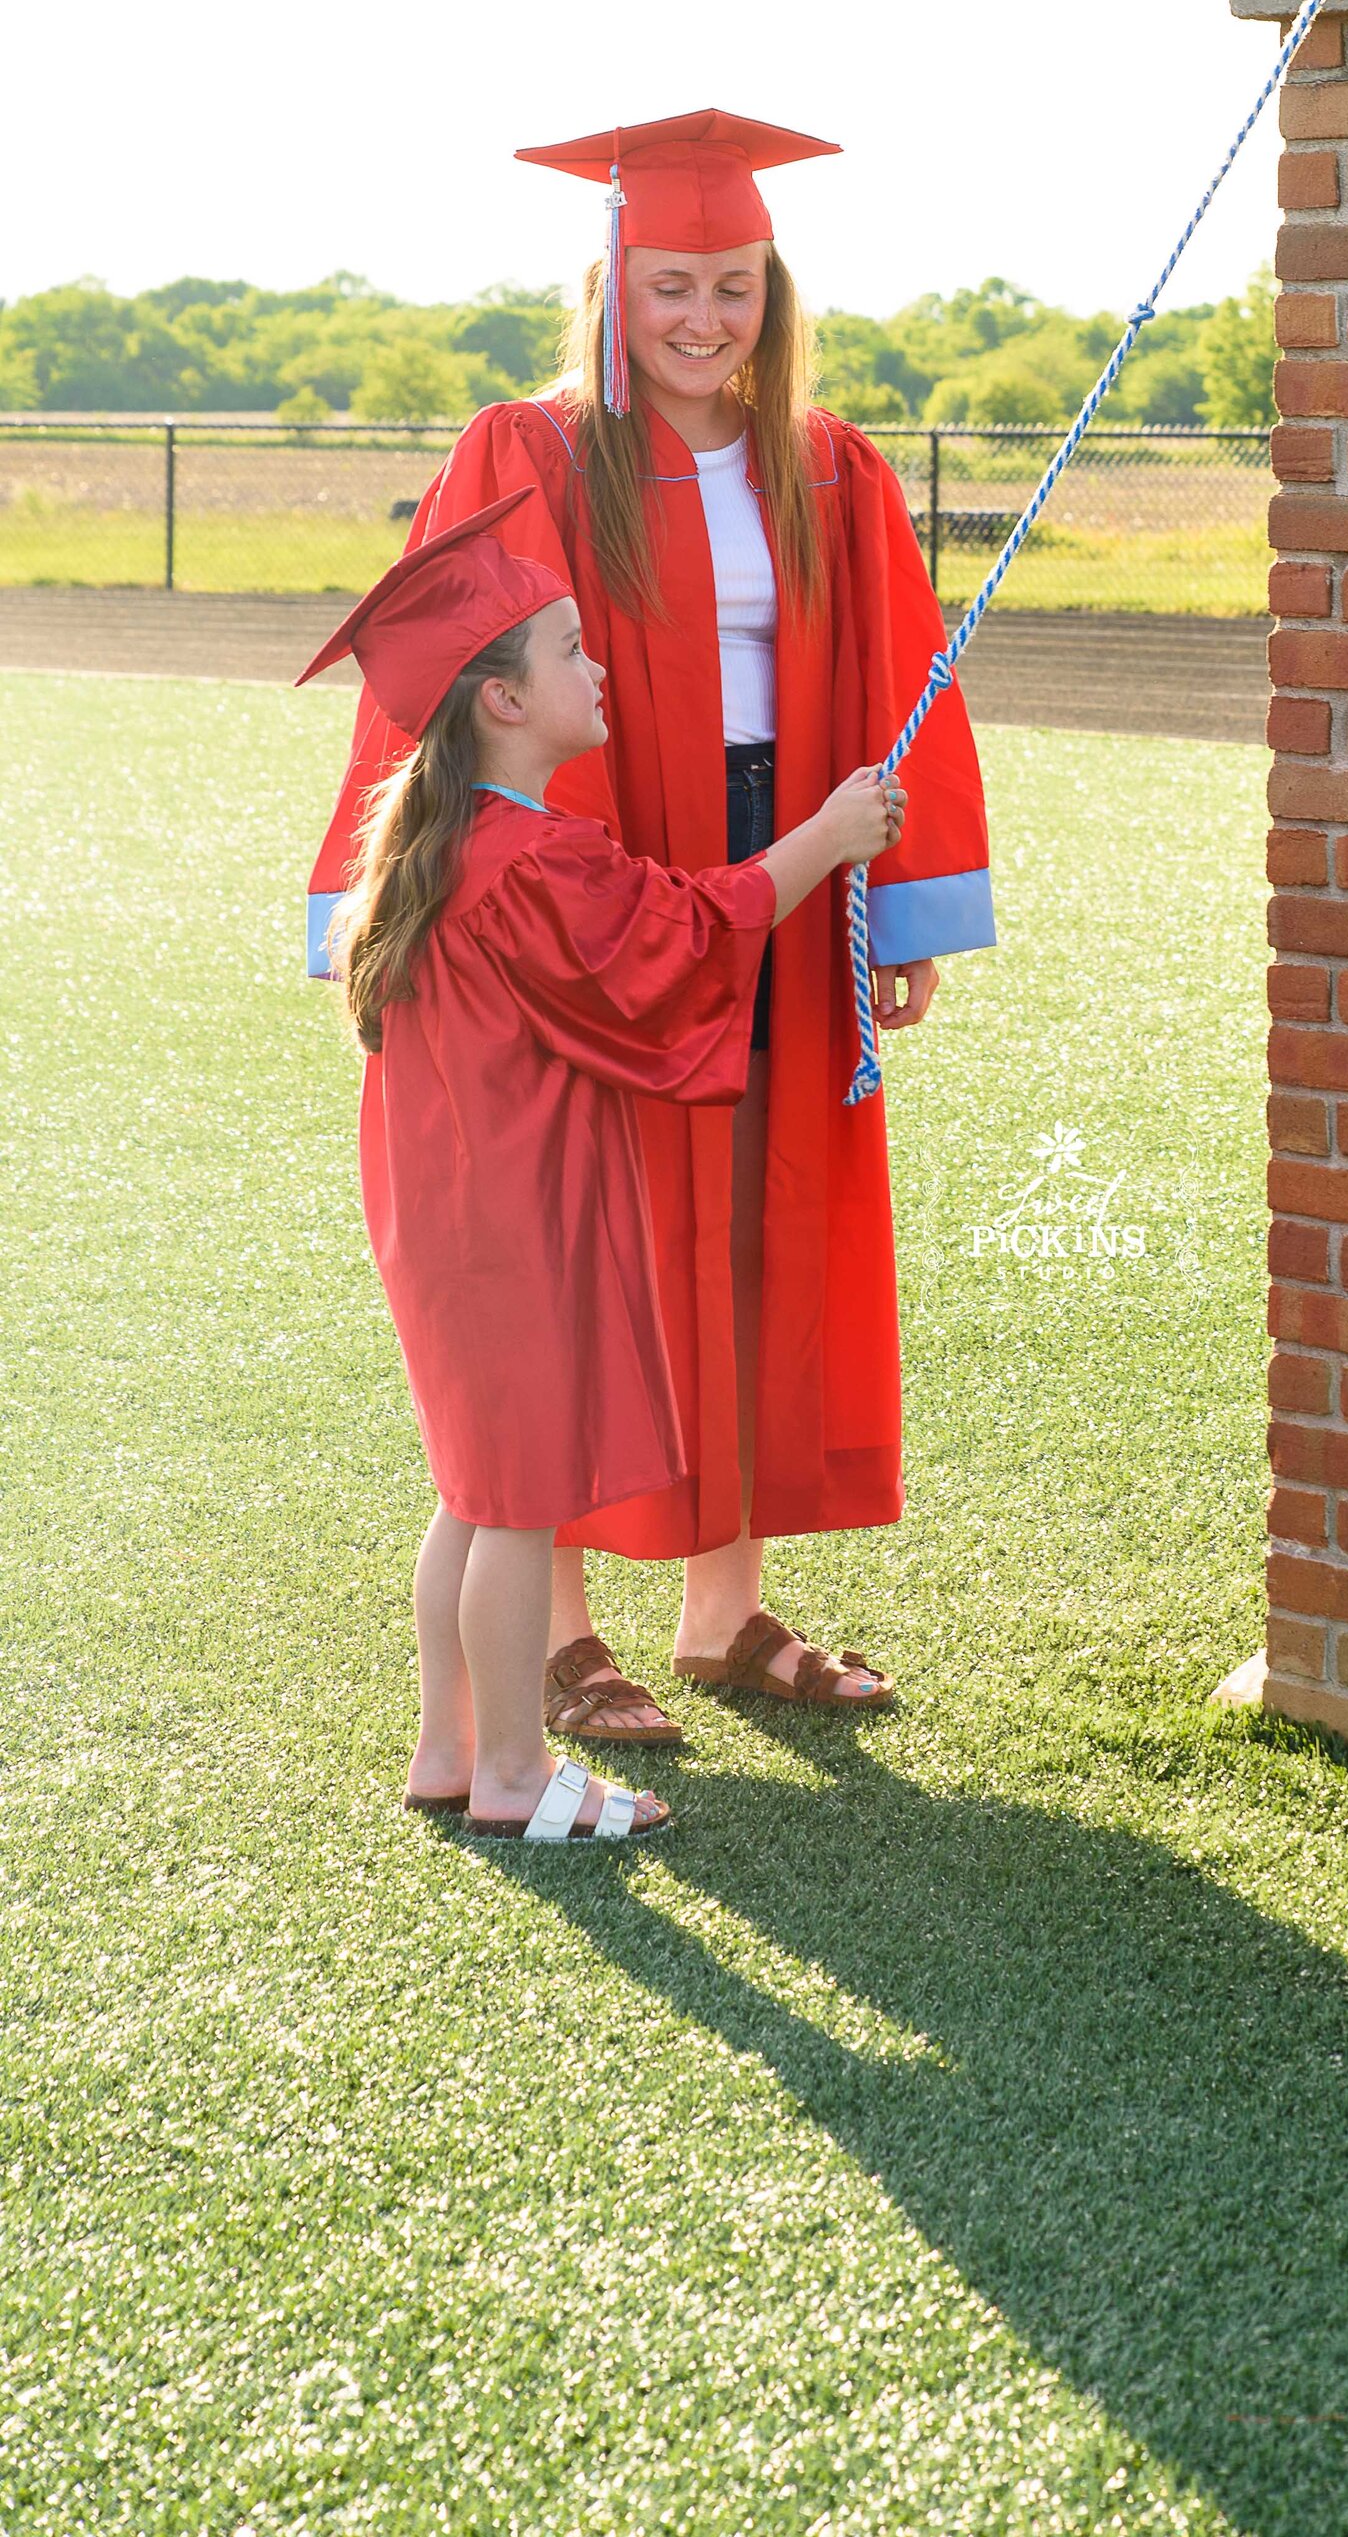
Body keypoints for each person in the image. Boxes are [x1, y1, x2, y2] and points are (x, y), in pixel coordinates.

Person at [308, 108, 994, 1746]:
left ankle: (724, 1609)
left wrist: (889, 903)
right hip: (611, 883)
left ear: (776, 289)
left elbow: (902, 681)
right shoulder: (531, 453)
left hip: (785, 861)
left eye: (736, 286)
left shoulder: (829, 464)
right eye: (674, 283)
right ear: (616, 284)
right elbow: (461, 702)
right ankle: (555, 1628)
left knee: (758, 1213)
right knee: (594, 1235)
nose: (706, 319)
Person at [308, 493, 906, 1841]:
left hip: (454, 1218)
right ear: (503, 702)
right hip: (514, 1225)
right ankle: (514, 1771)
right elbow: (685, 933)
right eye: (574, 649)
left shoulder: (448, 845)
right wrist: (827, 833)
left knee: (472, 1488)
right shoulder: (532, 857)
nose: (600, 666)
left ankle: (447, 1745)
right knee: (515, 1503)